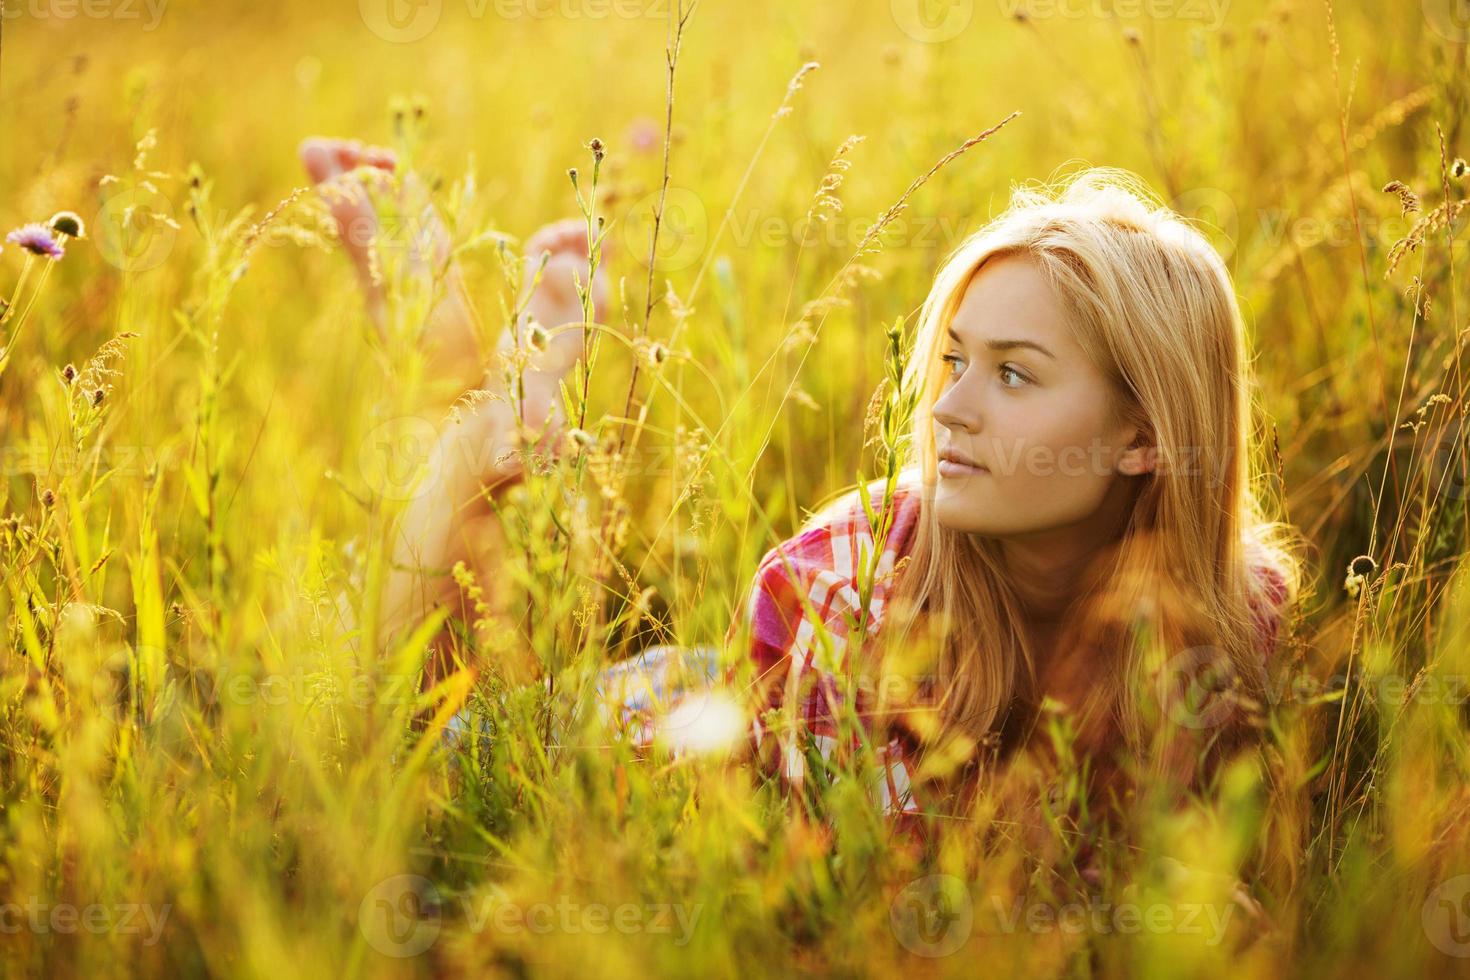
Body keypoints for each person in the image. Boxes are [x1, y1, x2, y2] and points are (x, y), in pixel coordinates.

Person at [299, 139, 1300, 855]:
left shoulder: (1238, 615)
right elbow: (886, 889)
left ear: (1144, 435)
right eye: (953, 360)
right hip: (682, 723)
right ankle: (478, 399)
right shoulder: (838, 588)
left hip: (770, 696)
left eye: (1015, 373)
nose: (946, 408)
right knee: (406, 756)